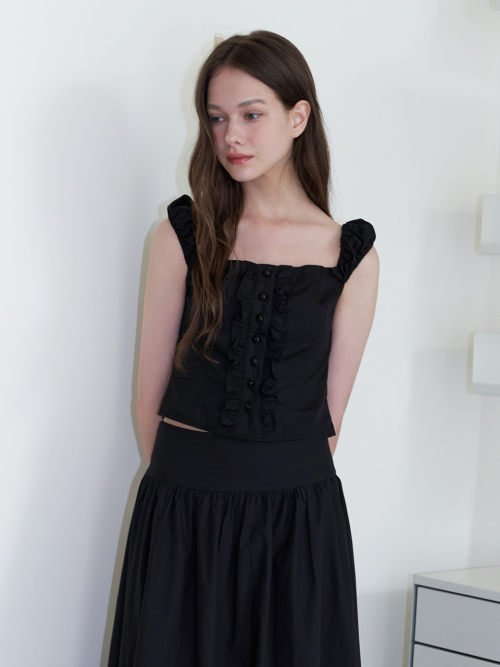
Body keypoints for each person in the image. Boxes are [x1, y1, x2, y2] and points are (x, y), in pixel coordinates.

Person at [107, 29, 379, 667]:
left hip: (298, 526)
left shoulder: (351, 255)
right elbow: (148, 399)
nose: (231, 135)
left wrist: (271, 489)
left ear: (298, 117)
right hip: (182, 512)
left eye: (252, 115)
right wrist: (194, 489)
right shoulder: (181, 234)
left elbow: (330, 416)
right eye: (217, 118)